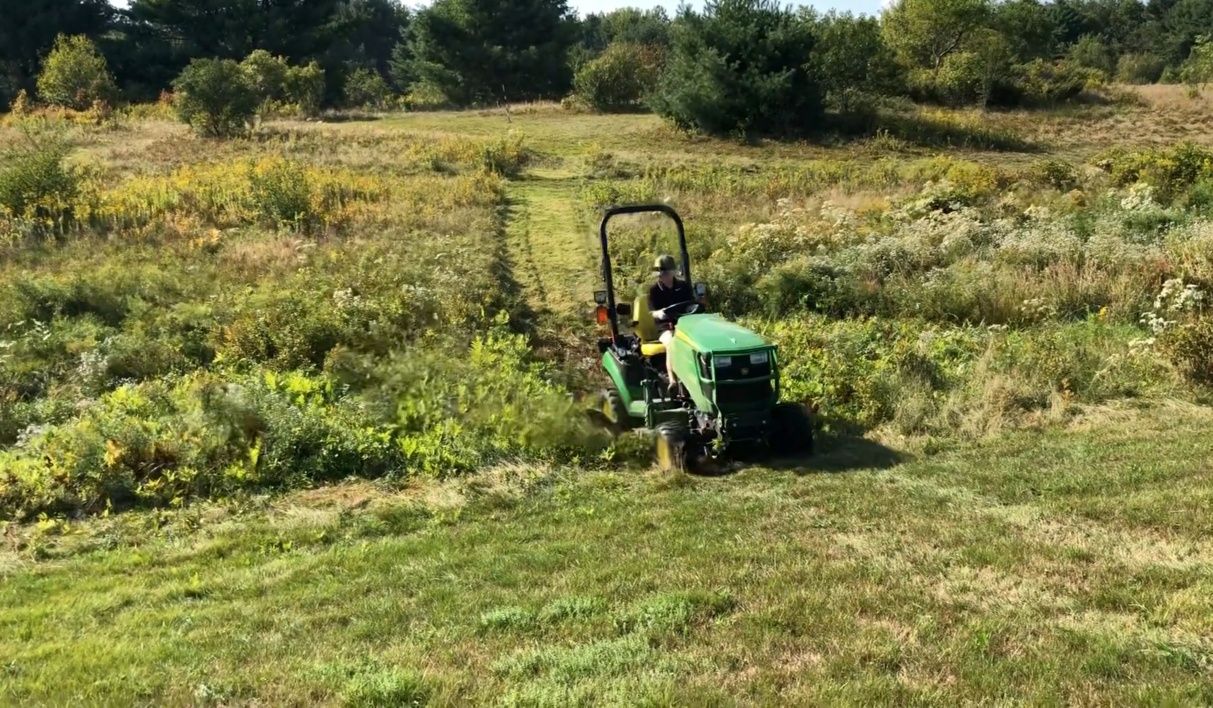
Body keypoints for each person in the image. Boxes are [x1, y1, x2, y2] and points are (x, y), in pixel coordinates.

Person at [648, 254, 693, 389]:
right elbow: (651, 312)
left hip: (685, 325)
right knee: (672, 343)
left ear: (673, 272)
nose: (663, 276)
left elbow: (691, 304)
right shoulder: (654, 291)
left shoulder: (684, 287)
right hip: (665, 328)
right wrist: (659, 313)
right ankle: (673, 381)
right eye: (660, 273)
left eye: (666, 272)